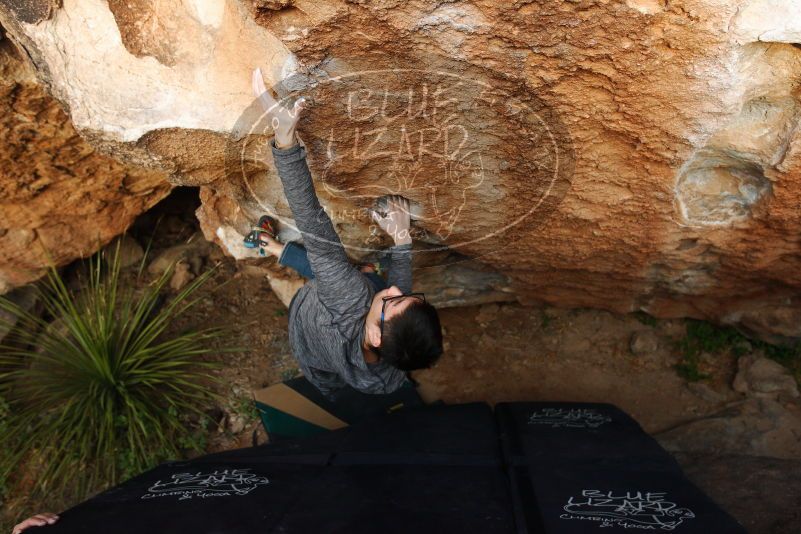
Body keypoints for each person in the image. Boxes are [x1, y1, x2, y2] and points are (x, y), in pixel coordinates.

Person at [251, 68, 443, 398]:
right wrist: (402, 240)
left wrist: (285, 142)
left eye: (394, 301)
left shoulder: (349, 297)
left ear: (376, 336)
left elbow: (312, 221)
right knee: (355, 276)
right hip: (326, 363)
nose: (395, 288)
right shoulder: (390, 370)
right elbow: (394, 299)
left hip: (310, 320)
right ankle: (281, 251)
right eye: (413, 298)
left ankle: (278, 250)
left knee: (338, 274)